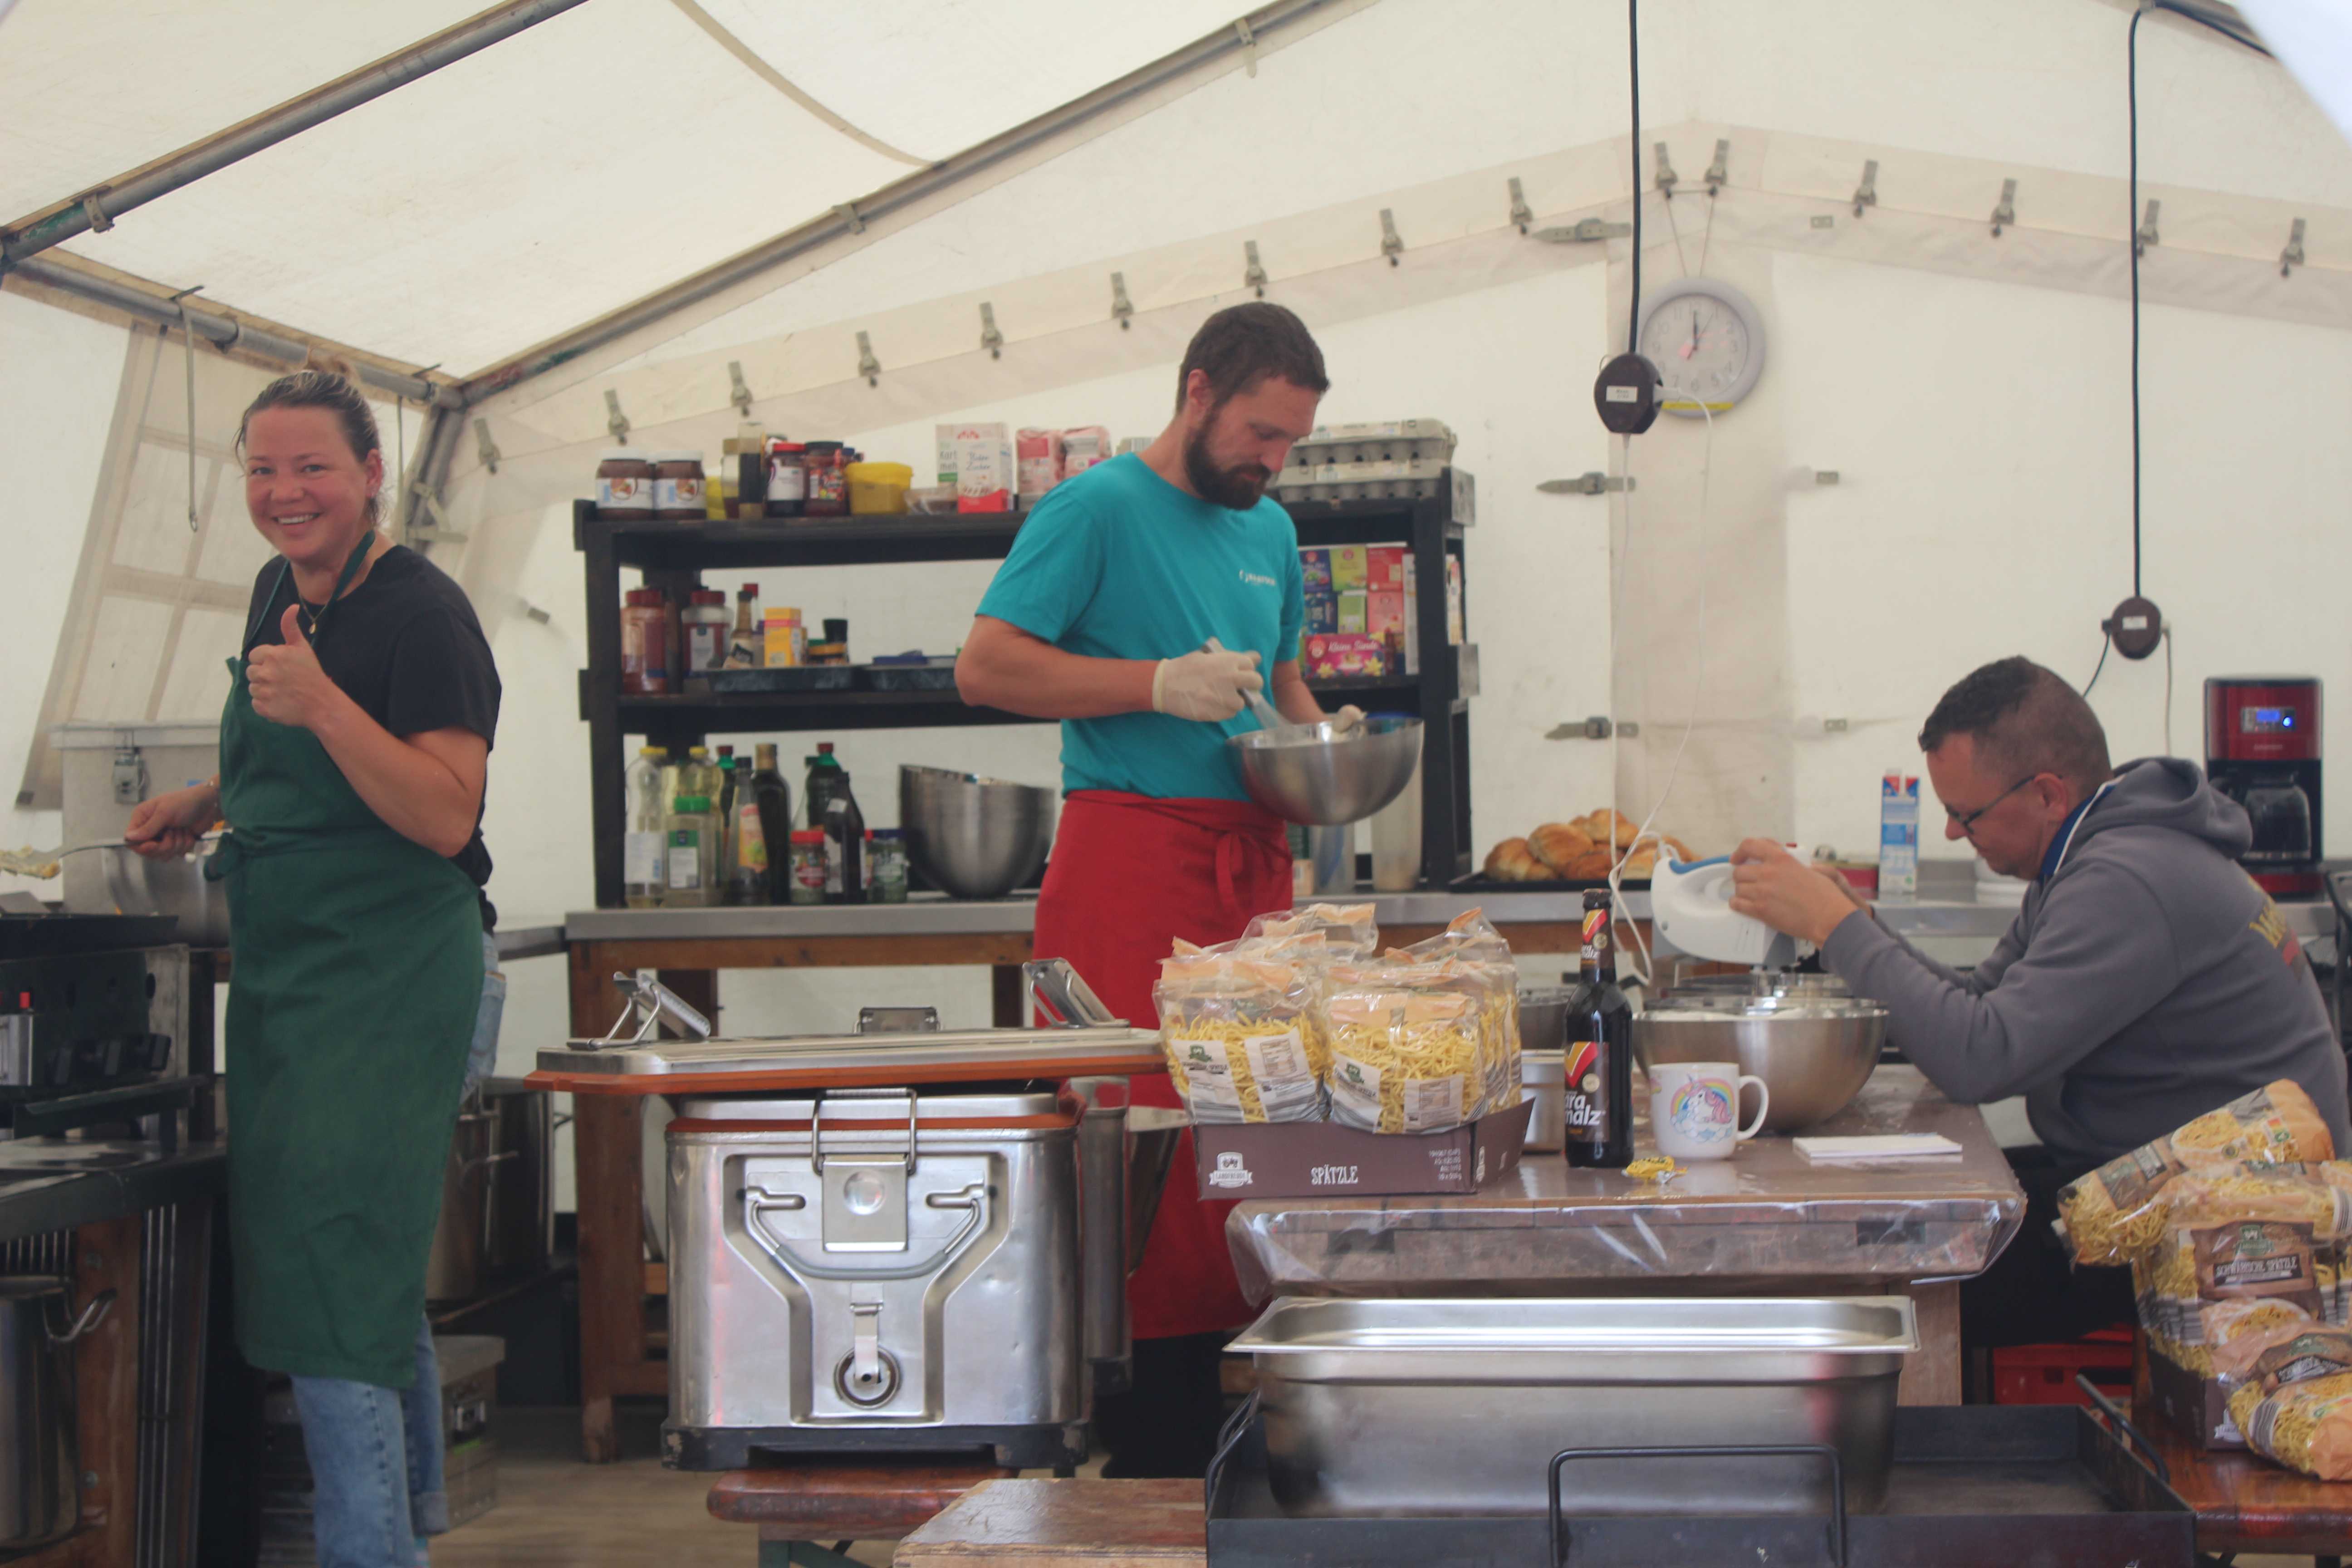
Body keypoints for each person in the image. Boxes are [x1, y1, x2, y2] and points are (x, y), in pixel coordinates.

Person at [956, 303, 1355, 1475]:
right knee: (1145, 1143)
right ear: (1197, 392)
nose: (1273, 461)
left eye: (1291, 443)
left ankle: (1249, 1415)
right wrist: (1151, 684)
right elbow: (986, 666)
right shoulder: (1094, 510)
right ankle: (1144, 1435)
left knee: (1260, 1126)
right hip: (1132, 866)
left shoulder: (1270, 528)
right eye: (1262, 433)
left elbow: (1282, 681)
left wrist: (1329, 747)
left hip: (1251, 874)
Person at [126, 359, 502, 1568]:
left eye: (312, 469)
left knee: (335, 1264)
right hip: (295, 971)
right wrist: (207, 797)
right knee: (356, 1266)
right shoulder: (274, 590)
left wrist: (328, 704)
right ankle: (407, 1533)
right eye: (262, 470)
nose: (285, 493)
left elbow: (444, 813)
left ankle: (370, 1553)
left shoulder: (424, 616)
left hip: (394, 972)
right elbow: (293, 750)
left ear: (372, 475)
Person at [1728, 656, 2351, 1348]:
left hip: (2239, 1227)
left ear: (2049, 795)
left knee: (1901, 1274)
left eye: (1965, 815)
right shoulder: (2092, 856)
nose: (1953, 834)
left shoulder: (2126, 880)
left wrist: (1835, 928)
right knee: (1908, 1224)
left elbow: (1978, 1058)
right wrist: (1861, 925)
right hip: (2155, 1177)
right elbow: (1978, 1002)